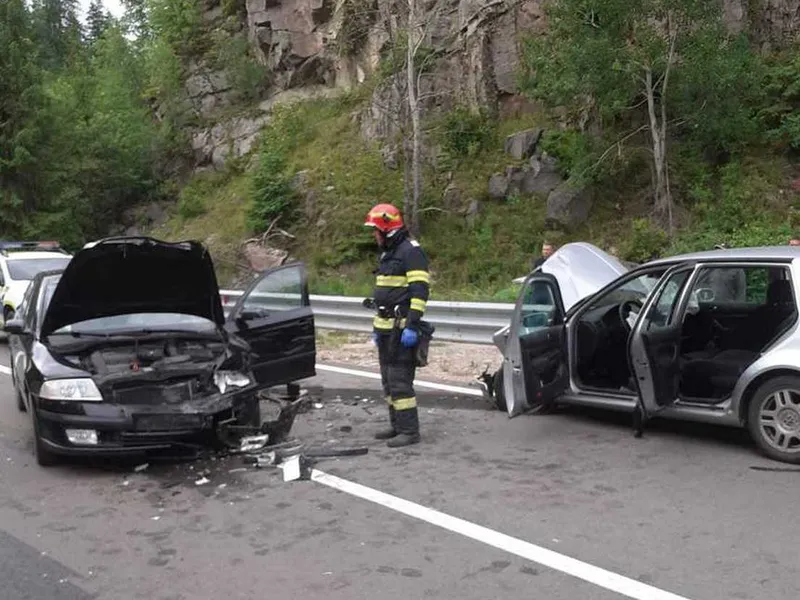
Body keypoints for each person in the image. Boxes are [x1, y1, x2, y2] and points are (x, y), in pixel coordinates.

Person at [363, 203, 430, 447]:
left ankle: (410, 431)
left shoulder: (411, 252)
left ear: (387, 230)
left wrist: (412, 325)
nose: (374, 234)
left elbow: (420, 291)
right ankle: (396, 425)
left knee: (400, 382)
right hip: (385, 329)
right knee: (388, 381)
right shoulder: (388, 253)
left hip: (402, 329)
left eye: (376, 230)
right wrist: (376, 328)